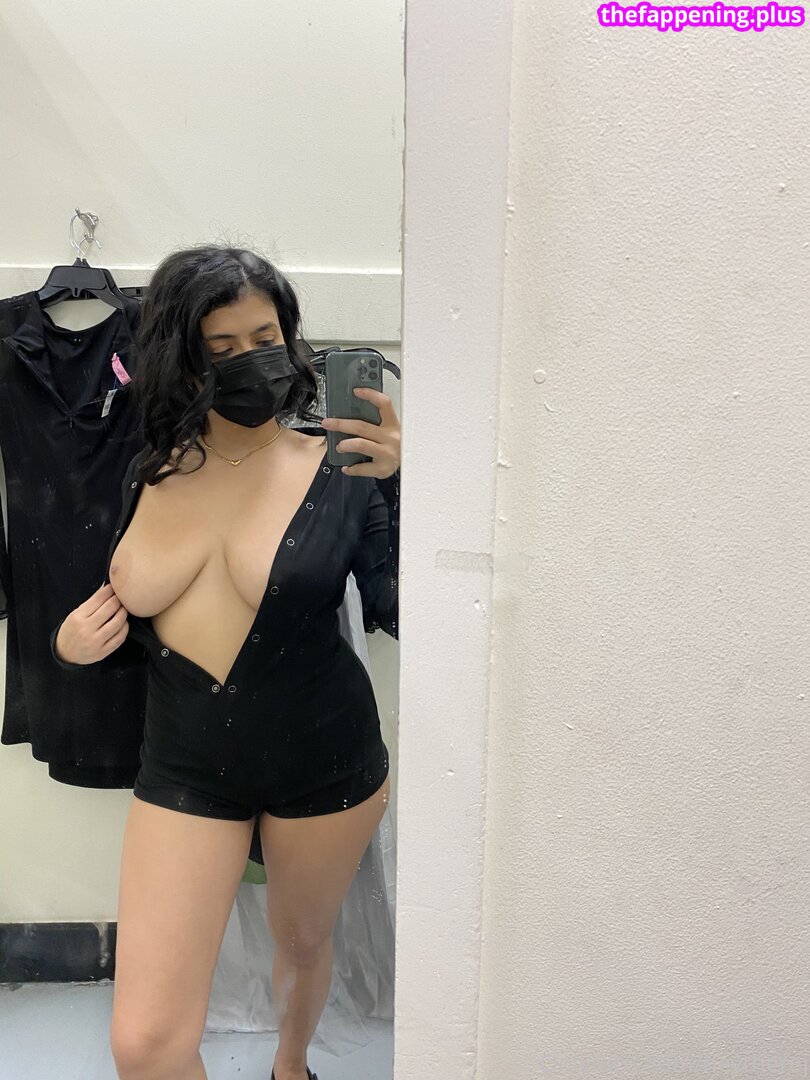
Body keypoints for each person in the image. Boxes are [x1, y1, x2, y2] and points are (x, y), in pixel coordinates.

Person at [53, 246, 401, 1080]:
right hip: (186, 766)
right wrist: (72, 644)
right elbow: (129, 612)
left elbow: (403, 610)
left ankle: (291, 1065)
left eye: (267, 338)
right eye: (222, 347)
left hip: (323, 761)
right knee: (146, 1044)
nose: (253, 361)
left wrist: (406, 484)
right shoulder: (144, 470)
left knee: (301, 940)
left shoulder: (343, 469)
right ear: (182, 360)